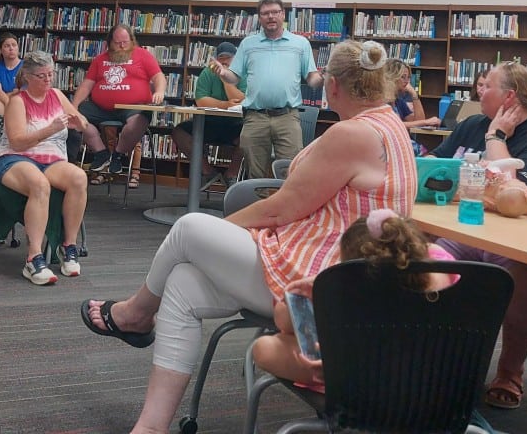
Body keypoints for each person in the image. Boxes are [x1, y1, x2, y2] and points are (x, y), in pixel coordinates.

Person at [78, 39, 416, 434]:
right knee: (183, 284)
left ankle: (135, 314)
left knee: (189, 227)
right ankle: (150, 427)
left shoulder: (354, 134)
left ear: (335, 86)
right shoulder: (389, 123)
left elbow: (280, 208)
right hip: (338, 268)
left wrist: (223, 232)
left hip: (323, 279)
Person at [429, 61, 527, 409]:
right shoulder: (471, 124)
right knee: (422, 259)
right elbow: (437, 165)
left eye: (486, 85)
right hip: (467, 231)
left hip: (523, 243)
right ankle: (436, 359)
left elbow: (514, 194)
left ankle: (510, 371)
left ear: (509, 97)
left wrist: (496, 138)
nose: (479, 90)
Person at [252, 208, 457, 390]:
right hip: (439, 381)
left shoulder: (349, 292)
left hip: (365, 381)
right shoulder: (448, 268)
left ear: (352, 265)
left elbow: (284, 323)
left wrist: (301, 295)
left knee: (265, 348)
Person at [0, 52, 90, 285]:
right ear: (27, 76)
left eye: (51, 75)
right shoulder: (17, 101)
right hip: (15, 157)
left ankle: (69, 246)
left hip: (51, 159)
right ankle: (33, 257)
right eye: (41, 76)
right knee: (39, 184)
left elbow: (82, 121)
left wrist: (79, 123)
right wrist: (51, 129)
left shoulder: (56, 95)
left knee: (78, 177)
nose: (48, 80)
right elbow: (16, 141)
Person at [209, 0, 323, 180]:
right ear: (259, 18)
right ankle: (259, 207)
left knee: (291, 172)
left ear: (283, 14)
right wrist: (223, 72)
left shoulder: (300, 44)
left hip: (287, 117)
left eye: (275, 12)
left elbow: (311, 78)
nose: (270, 17)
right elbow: (234, 77)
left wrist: (323, 78)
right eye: (265, 13)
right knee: (254, 174)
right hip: (255, 118)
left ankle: (287, 209)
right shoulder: (248, 44)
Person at [73, 24, 166, 186]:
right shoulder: (100, 59)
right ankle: (101, 153)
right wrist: (73, 106)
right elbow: (87, 84)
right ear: (110, 42)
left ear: (132, 40)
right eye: (118, 43)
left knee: (139, 119)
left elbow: (159, 77)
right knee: (75, 115)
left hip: (133, 107)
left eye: (125, 42)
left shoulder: (143, 55)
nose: (122, 46)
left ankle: (117, 155)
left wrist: (159, 91)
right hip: (101, 108)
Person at [171, 41, 245, 182]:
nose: (224, 63)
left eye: (228, 60)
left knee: (250, 136)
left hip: (236, 124)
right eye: (221, 60)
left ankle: (232, 174)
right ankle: (207, 171)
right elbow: (201, 100)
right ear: (216, 60)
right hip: (209, 123)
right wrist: (225, 104)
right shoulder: (207, 73)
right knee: (179, 132)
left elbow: (241, 100)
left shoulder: (243, 73)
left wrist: (225, 79)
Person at [386, 58, 440, 128]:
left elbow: (419, 120)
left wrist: (414, 94)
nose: (407, 81)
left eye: (408, 78)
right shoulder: (381, 101)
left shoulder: (399, 102)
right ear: (391, 77)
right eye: (403, 77)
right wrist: (426, 122)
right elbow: (393, 125)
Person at [0, 33, 22, 116]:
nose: (11, 48)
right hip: (5, 103)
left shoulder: (26, 66)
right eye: (7, 46)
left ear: (18, 48)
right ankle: (13, 123)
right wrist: (10, 103)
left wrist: (11, 95)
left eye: (14, 45)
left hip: (22, 103)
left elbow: (24, 91)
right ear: (1, 50)